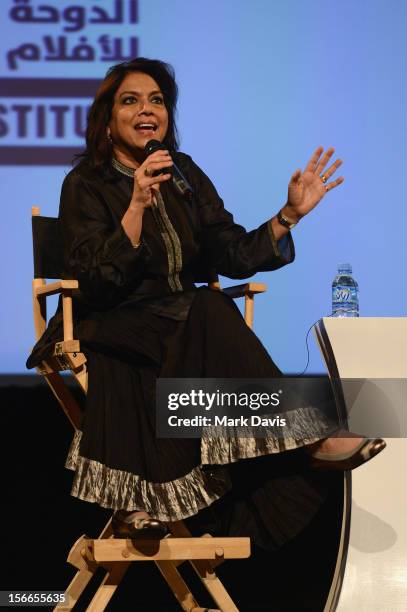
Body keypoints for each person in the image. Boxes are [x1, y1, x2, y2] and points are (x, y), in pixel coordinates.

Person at [27, 57, 385, 542]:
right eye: (130, 101)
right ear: (108, 122)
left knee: (204, 310)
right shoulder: (85, 183)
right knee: (208, 308)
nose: (146, 110)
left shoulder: (185, 174)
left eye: (157, 101)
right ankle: (306, 435)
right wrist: (135, 205)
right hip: (110, 319)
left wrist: (288, 215)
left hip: (179, 323)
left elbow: (232, 252)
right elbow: (96, 281)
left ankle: (175, 487)